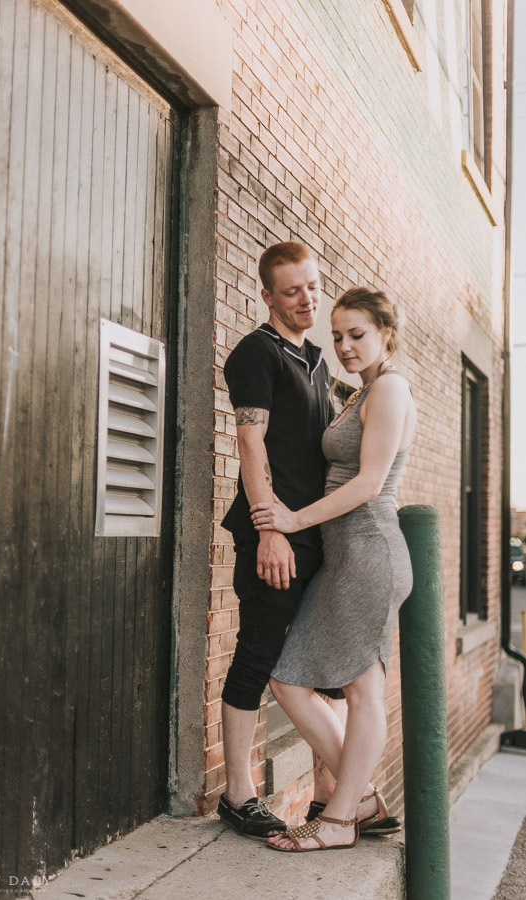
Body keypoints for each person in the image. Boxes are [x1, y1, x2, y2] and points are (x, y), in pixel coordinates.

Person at [250, 286, 416, 852]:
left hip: (369, 552)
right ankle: (360, 797)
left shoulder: (390, 389)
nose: (344, 346)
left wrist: (292, 522)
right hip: (347, 556)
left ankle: (341, 820)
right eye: (338, 335)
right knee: (289, 674)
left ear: (386, 334)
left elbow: (370, 484)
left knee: (362, 690)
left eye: (357, 335)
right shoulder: (362, 391)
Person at [217, 242, 345, 839]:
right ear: (266, 295)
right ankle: (239, 794)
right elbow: (251, 444)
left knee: (329, 664)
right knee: (259, 653)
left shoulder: (319, 361)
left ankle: (327, 794)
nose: (307, 299)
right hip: (277, 537)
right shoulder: (255, 354)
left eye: (313, 286)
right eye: (292, 290)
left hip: (317, 536)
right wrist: (269, 529)